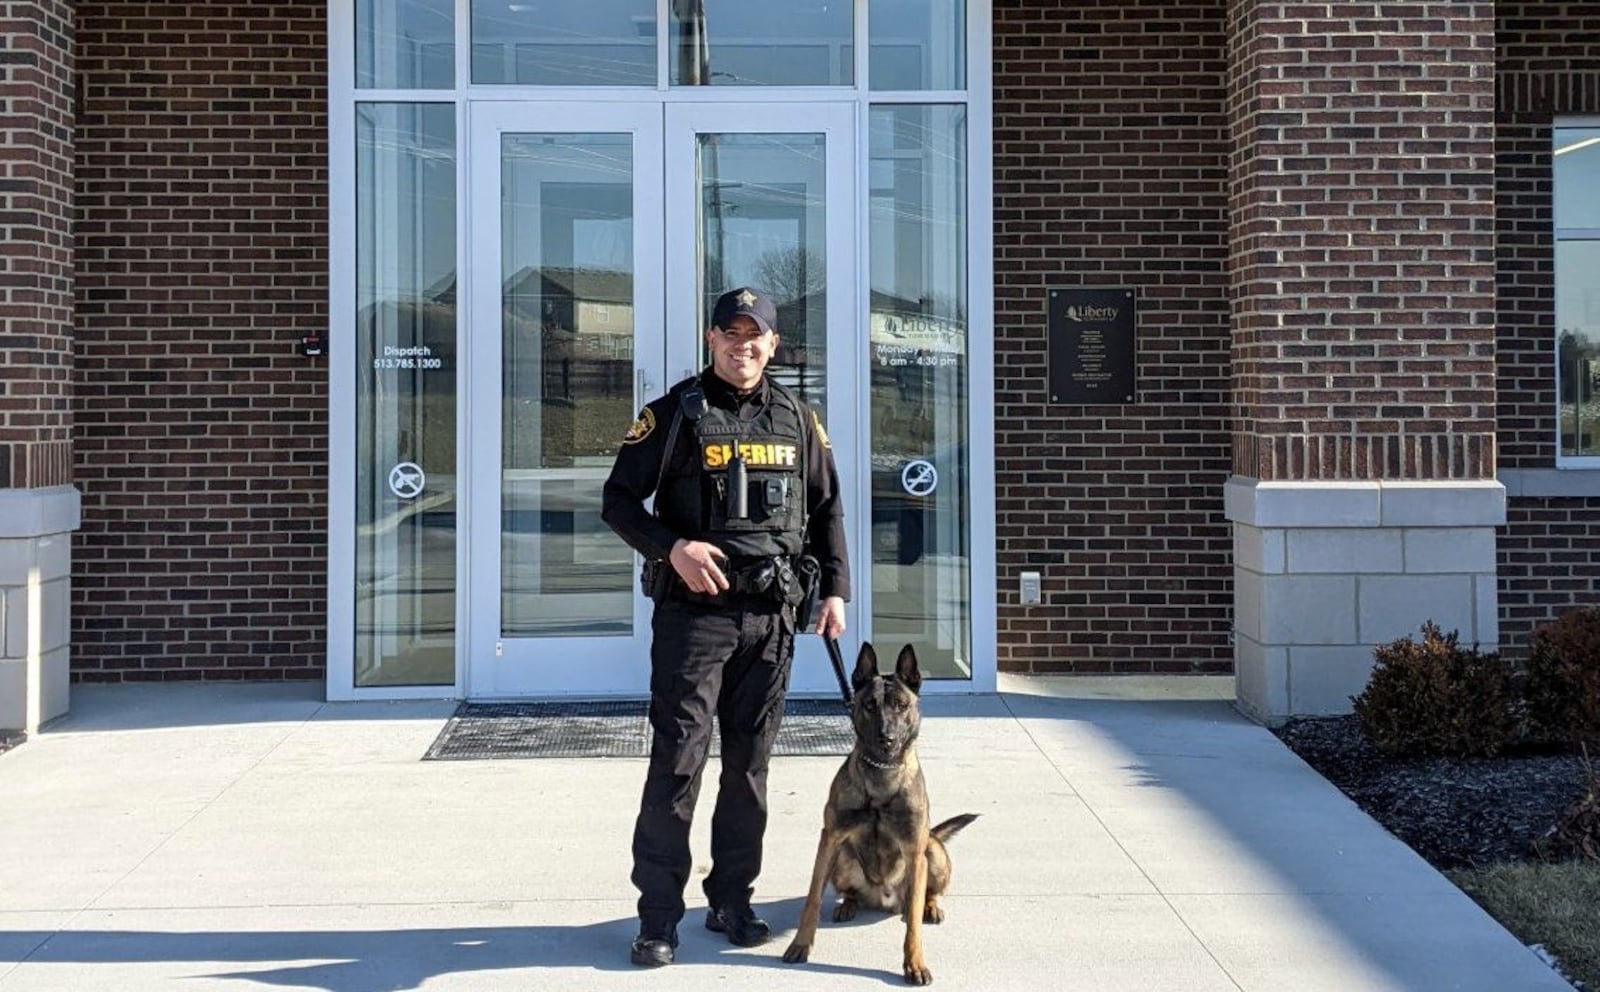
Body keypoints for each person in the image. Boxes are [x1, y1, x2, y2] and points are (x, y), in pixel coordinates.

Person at [601, 286, 850, 968]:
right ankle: (658, 919)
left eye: (756, 335)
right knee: (678, 761)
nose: (743, 345)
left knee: (749, 768)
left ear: (774, 345)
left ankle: (732, 901)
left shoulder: (798, 418)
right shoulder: (674, 415)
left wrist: (835, 591)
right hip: (694, 621)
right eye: (730, 333)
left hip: (771, 620)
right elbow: (617, 500)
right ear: (711, 339)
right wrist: (670, 548)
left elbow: (827, 510)